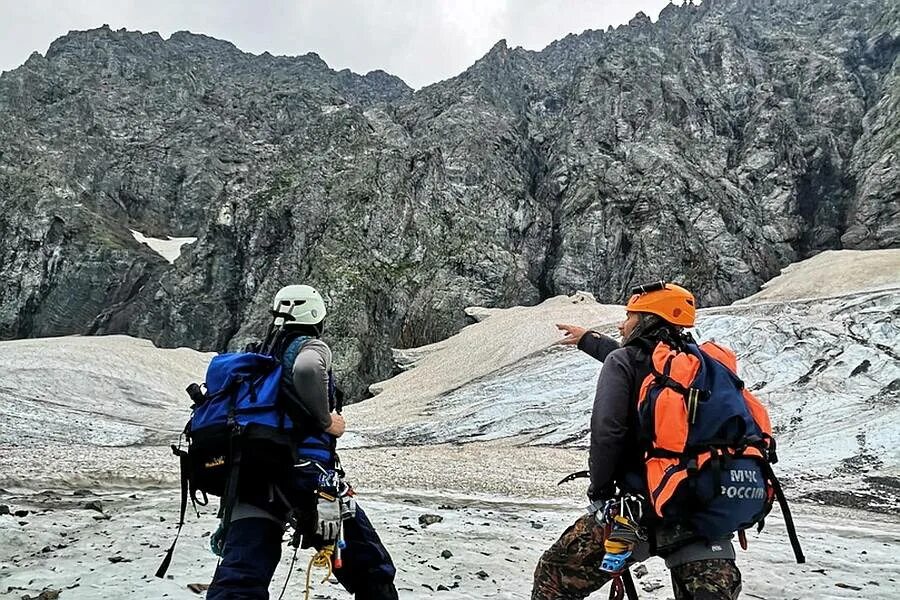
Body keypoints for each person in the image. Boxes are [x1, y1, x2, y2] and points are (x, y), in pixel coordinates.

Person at [532, 282, 742, 600]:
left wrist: (600, 493)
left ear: (647, 319)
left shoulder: (626, 363)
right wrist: (589, 340)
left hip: (636, 514)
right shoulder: (705, 366)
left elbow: (607, 432)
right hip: (705, 512)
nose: (622, 322)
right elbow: (636, 362)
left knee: (556, 575)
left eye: (630, 315)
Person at [207, 284, 399, 600]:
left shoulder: (259, 357)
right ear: (316, 316)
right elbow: (308, 369)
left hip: (252, 474)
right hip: (306, 475)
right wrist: (327, 422)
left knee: (241, 577)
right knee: (370, 567)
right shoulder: (310, 346)